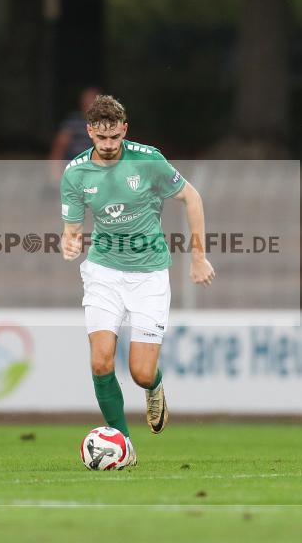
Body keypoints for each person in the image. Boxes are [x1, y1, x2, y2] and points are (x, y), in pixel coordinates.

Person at [60, 95, 214, 467]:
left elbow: (192, 198)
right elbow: (72, 228)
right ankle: (124, 445)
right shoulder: (76, 173)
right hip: (103, 273)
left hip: (149, 275)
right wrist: (70, 241)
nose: (110, 145)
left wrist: (198, 256)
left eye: (115, 137)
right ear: (90, 132)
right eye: (102, 138)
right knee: (100, 362)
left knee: (141, 372)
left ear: (124, 130)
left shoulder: (148, 161)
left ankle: (154, 386)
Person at [49, 87, 100, 184]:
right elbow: (59, 146)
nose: (89, 103)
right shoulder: (72, 121)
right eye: (87, 100)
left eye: (93, 100)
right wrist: (55, 173)